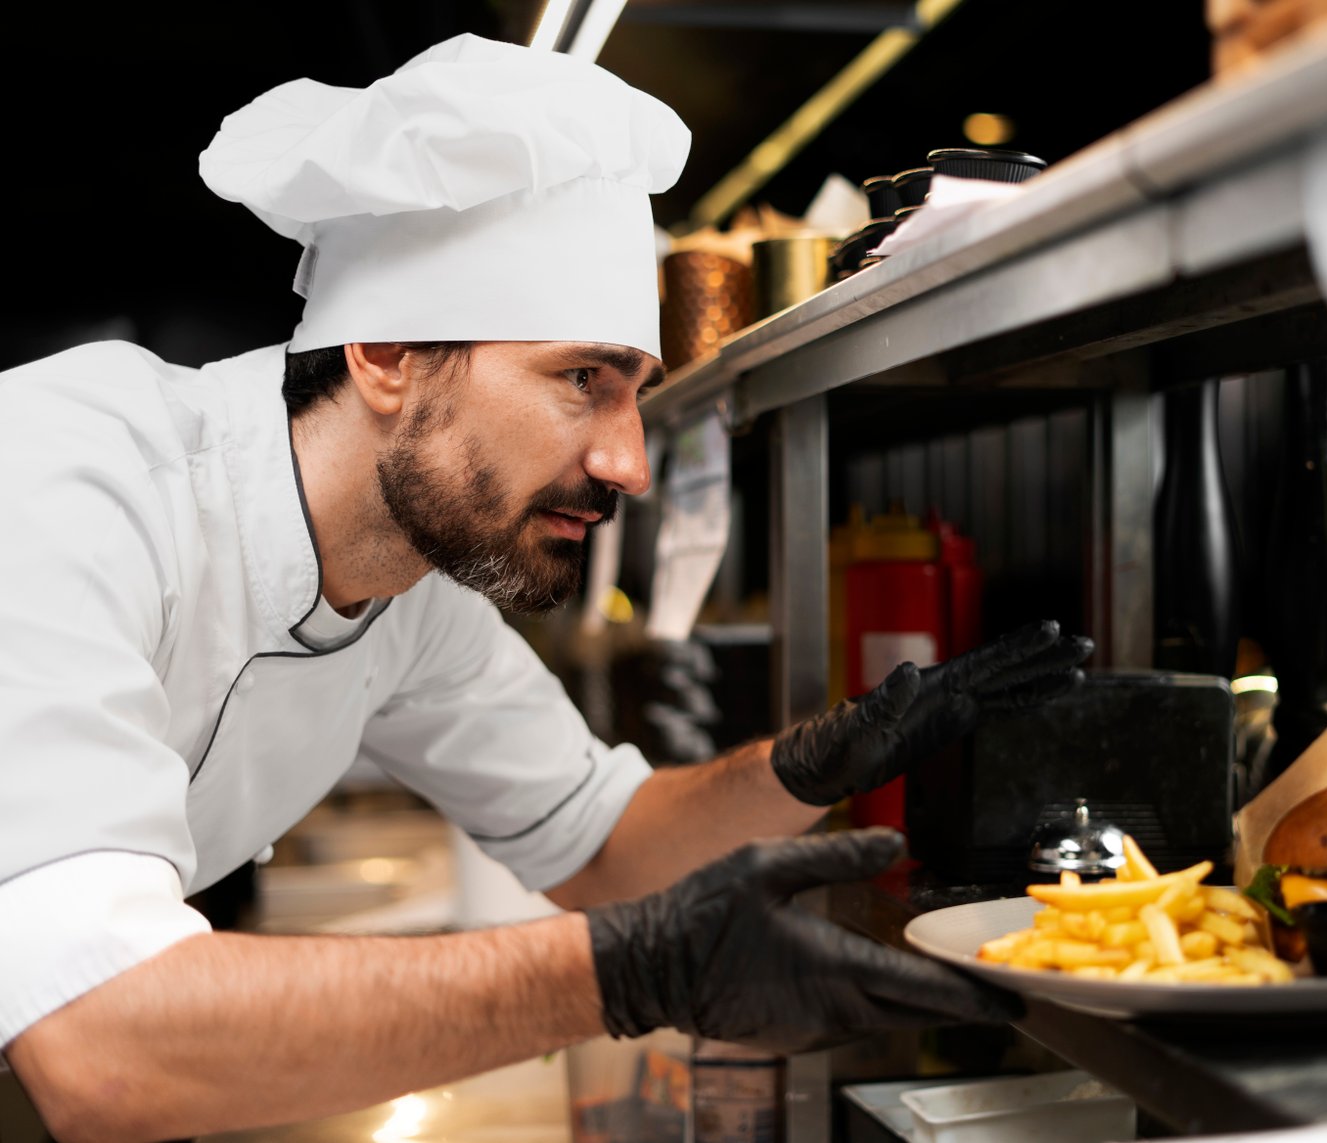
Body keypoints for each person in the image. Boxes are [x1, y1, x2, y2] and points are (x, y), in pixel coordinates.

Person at [0, 34, 1092, 1142]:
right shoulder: (66, 477)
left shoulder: (413, 595)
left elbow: (602, 843)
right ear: (386, 352)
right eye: (582, 380)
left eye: (636, 393)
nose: (632, 463)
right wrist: (630, 974)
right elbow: (101, 1046)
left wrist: (814, 762)